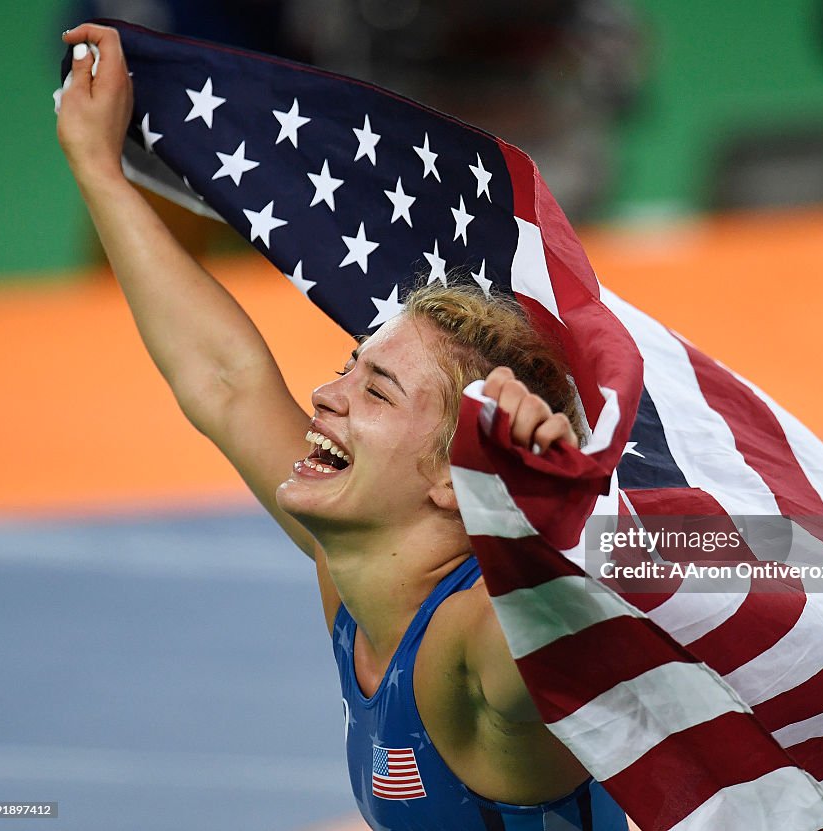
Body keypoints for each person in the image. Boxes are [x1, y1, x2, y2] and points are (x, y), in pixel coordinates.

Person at [56, 23, 628, 831]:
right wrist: (100, 167)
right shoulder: (356, 572)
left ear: (447, 479)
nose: (326, 397)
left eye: (379, 390)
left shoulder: (473, 647)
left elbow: (575, 620)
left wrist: (548, 509)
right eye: (348, 366)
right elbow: (224, 380)